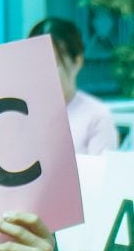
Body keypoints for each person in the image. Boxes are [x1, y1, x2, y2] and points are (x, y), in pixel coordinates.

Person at [31, 18, 117, 155]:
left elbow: (101, 167)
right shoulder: (21, 114)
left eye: (54, 62)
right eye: (38, 63)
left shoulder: (97, 116)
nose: (44, 71)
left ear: (77, 62)